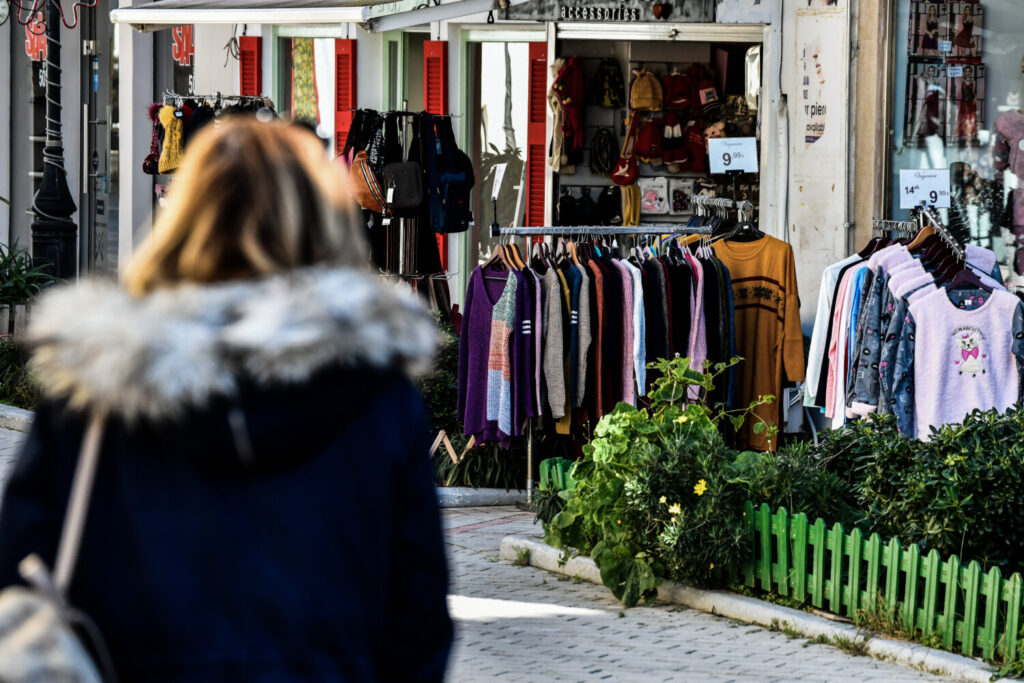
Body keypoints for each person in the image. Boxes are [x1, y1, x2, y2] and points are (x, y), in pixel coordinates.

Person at [0, 118, 452, 681]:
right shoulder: (377, 403)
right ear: (320, 223)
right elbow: (420, 617)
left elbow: (21, 570)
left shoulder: (96, 392)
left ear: (182, 220)